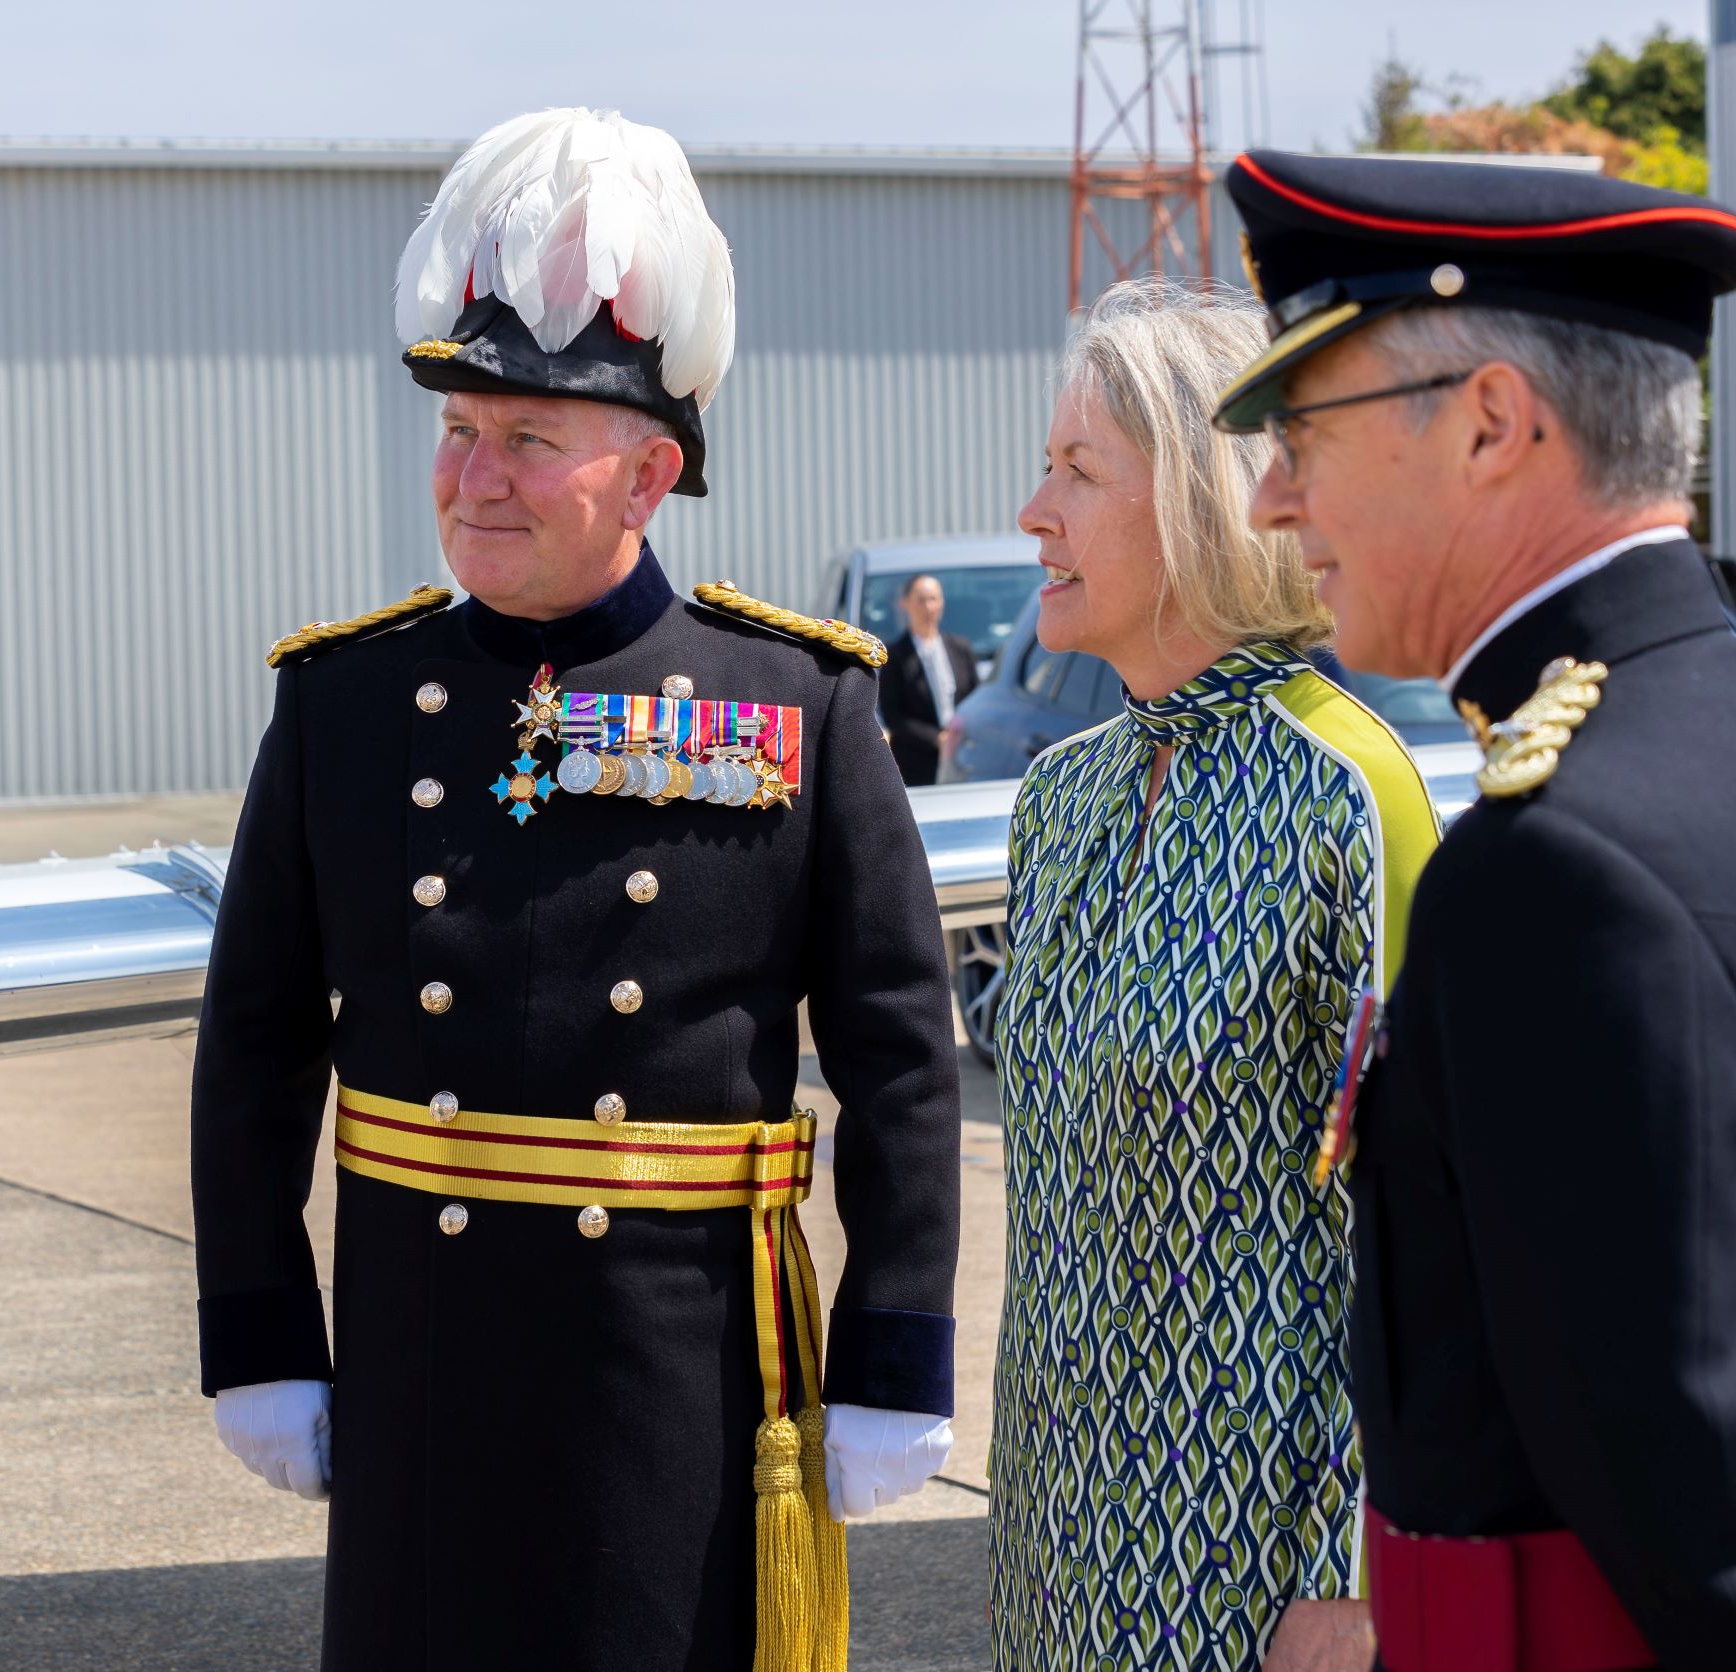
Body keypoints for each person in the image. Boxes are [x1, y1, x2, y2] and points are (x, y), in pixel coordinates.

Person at [189, 107, 963, 1671]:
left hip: (672, 1362)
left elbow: (897, 1051)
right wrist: (262, 1331)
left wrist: (894, 1346)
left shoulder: (795, 698)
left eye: (529, 440)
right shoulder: (345, 700)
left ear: (652, 471)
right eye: (458, 433)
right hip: (425, 1347)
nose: (475, 476)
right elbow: (258, 1039)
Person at [1220, 150, 1736, 1671]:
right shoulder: (1719, 730)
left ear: (1491, 424)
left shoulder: (1562, 871)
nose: (1272, 497)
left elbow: (1707, 1525)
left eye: (1300, 431)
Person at [991, 276, 1437, 1672]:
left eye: (1077, 472)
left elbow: (1420, 1240)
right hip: (1050, 1554)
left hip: (1249, 1570)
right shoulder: (1057, 797)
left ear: (1197, 495)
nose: (1034, 513)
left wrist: (1348, 1578)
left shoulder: (1347, 793)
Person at [881, 573, 978, 785]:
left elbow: (975, 698)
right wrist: (936, 738)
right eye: (921, 600)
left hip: (962, 755)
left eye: (934, 599)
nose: (928, 607)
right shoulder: (895, 656)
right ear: (904, 604)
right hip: (917, 762)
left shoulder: (960, 648)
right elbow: (893, 716)